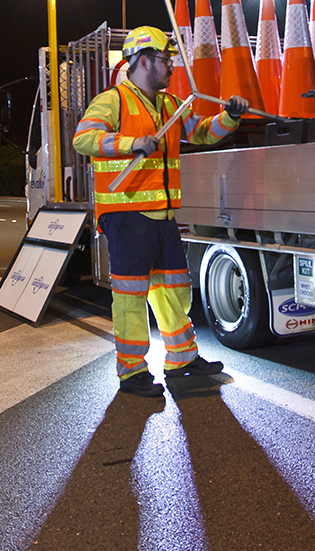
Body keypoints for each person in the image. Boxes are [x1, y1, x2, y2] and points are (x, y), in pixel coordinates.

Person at [72, 25, 248, 397]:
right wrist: (131, 142)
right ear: (143, 60)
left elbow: (200, 132)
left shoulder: (170, 104)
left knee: (173, 291)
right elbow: (83, 138)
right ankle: (132, 372)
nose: (171, 67)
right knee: (132, 298)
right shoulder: (114, 100)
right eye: (165, 60)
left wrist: (230, 117)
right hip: (127, 217)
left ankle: (181, 360)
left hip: (163, 215)